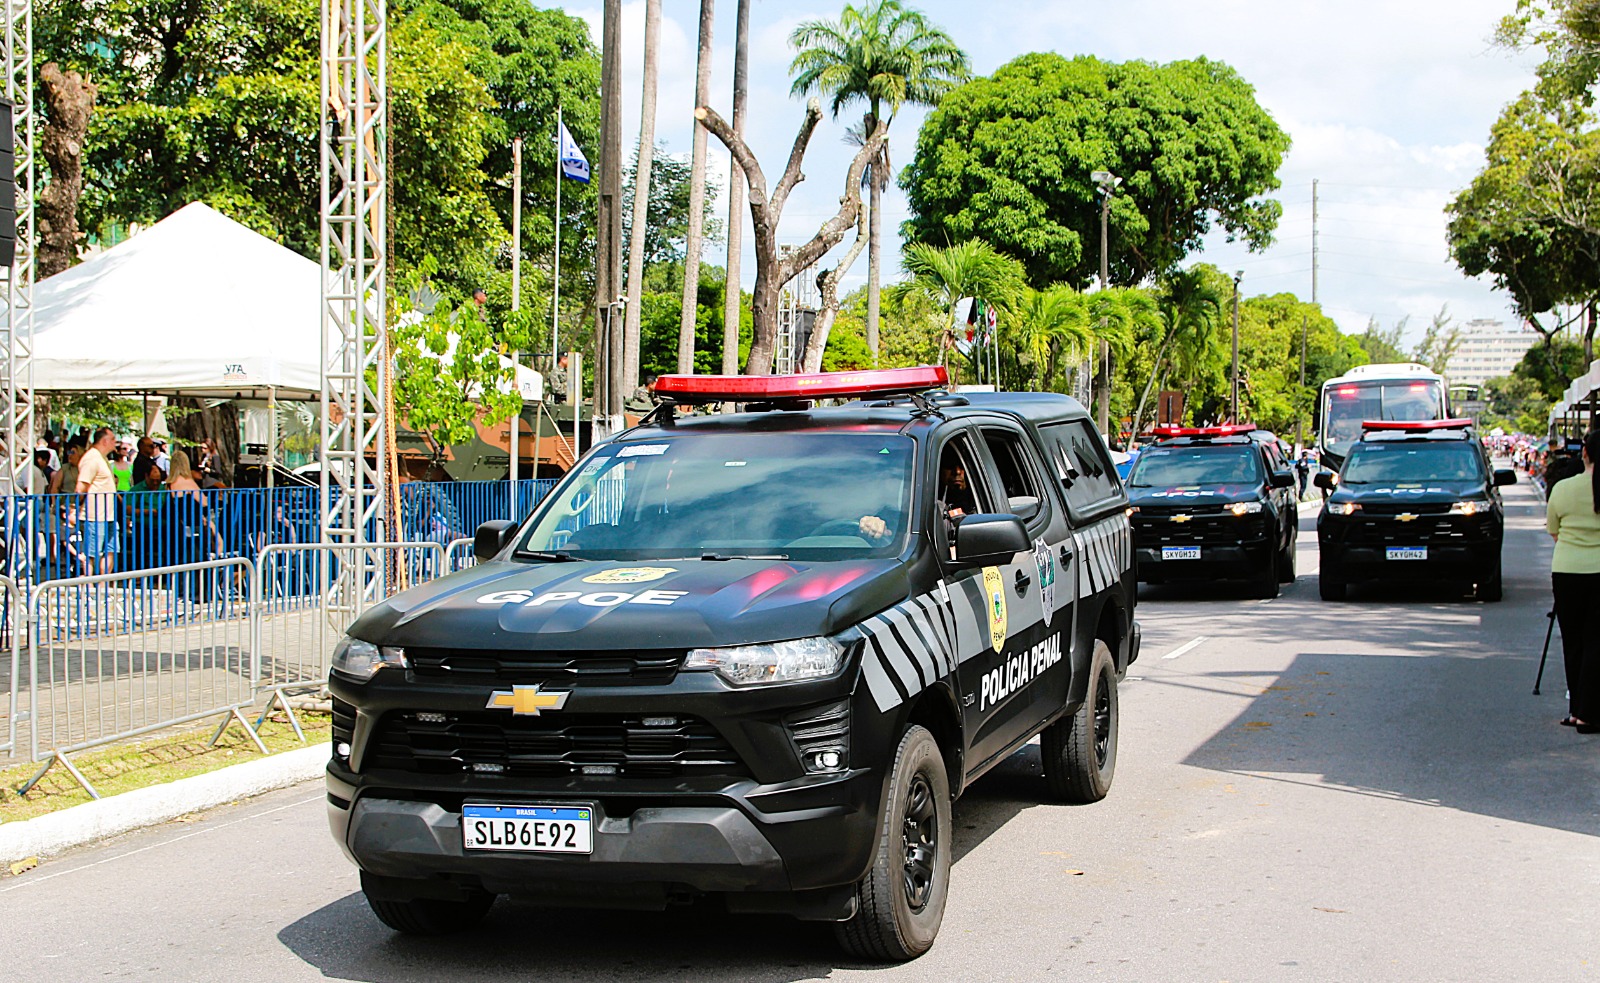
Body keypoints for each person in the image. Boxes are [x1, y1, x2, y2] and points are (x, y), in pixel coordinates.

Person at [1548, 430, 1600, 733]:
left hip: (1567, 570)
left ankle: (1576, 707)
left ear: (1585, 453)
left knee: (1573, 641)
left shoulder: (1564, 488)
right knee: (1596, 640)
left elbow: (1554, 530)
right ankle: (1589, 710)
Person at [76, 427, 121, 575]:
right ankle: (89, 585)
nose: (116, 443)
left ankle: (103, 585)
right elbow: (80, 487)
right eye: (113, 439)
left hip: (108, 514)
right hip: (94, 515)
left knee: (110, 550)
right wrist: (75, 508)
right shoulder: (91, 458)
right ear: (105, 441)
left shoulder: (102, 459)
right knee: (92, 553)